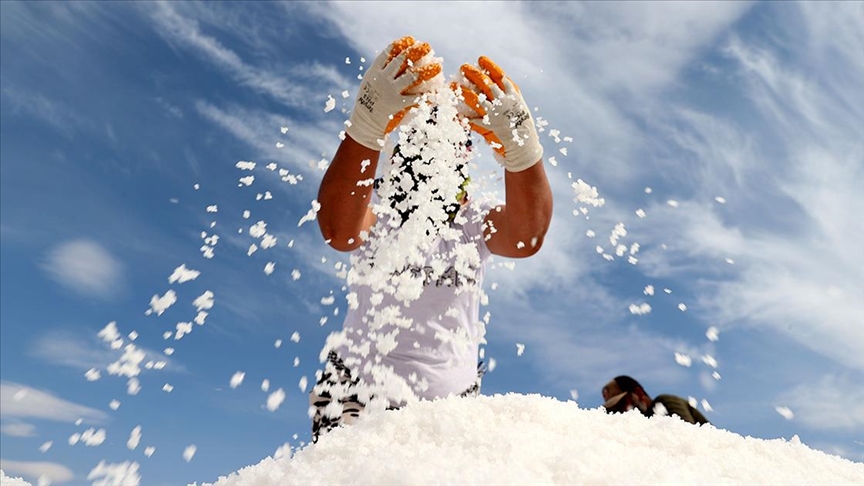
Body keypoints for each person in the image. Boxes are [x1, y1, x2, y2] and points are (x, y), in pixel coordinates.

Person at [310, 36, 553, 441]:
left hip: (452, 410)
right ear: (400, 154)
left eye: (456, 147)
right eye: (421, 142)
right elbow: (338, 231)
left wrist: (522, 148)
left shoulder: (473, 222)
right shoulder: (380, 213)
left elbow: (527, 239)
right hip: (354, 400)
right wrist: (367, 125)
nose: (437, 155)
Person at [601, 375, 710, 425]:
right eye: (613, 411)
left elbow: (687, 437)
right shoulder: (648, 424)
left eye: (621, 405)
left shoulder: (663, 403)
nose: (619, 413)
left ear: (638, 393)